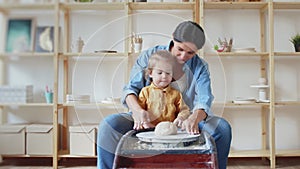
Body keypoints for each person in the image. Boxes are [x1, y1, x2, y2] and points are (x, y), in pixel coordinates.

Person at [97, 21, 232, 169]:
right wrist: (137, 111)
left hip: (185, 120)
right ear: (173, 38)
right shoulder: (149, 56)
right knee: (108, 125)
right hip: (146, 117)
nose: (183, 56)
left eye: (190, 53)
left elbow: (204, 99)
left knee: (222, 128)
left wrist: (194, 117)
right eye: (180, 49)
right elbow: (130, 90)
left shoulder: (200, 66)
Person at [137, 50, 190, 128]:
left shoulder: (176, 94)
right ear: (151, 73)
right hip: (150, 129)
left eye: (168, 73)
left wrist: (180, 117)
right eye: (160, 73)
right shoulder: (145, 92)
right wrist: (144, 122)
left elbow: (184, 110)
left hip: (170, 130)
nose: (164, 76)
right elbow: (140, 111)